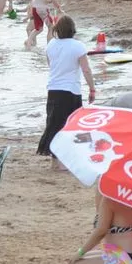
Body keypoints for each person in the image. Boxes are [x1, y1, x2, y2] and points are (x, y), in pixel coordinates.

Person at [36, 15, 95, 159]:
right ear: (72, 30)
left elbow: (51, 65)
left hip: (53, 89)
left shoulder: (51, 45)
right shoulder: (78, 46)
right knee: (71, 125)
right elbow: (86, 70)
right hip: (71, 90)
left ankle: (55, 159)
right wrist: (92, 88)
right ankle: (67, 158)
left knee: (54, 123)